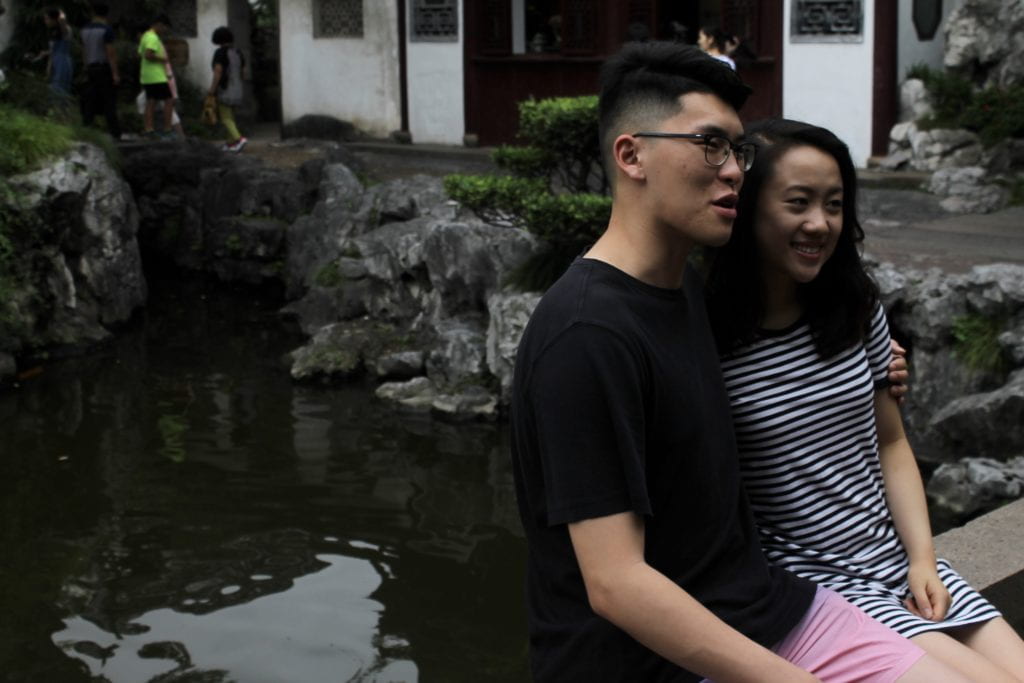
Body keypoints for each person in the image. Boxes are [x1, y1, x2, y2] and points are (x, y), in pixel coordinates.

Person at [509, 41, 969, 682]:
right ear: (631, 154)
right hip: (649, 662)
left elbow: (779, 356)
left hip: (767, 604)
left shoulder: (685, 289)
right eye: (709, 145)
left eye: (737, 150)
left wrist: (877, 364)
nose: (733, 171)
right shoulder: (588, 335)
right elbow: (616, 583)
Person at [706, 118, 1024, 682]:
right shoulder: (705, 339)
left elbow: (892, 441)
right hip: (815, 588)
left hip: (896, 559)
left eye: (833, 204)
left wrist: (923, 557)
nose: (819, 223)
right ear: (749, 206)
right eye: (798, 202)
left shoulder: (853, 309)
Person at [79, 2, 121, 140]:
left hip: (90, 68)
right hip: (103, 68)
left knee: (89, 100)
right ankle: (115, 133)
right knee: (109, 101)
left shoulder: (84, 30)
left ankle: (87, 128)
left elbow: (84, 51)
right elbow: (110, 53)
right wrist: (115, 73)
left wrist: (85, 67)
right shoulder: (106, 30)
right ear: (106, 14)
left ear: (93, 13)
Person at [208, 26, 247, 153]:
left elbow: (218, 71)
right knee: (231, 118)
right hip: (237, 88)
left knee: (225, 117)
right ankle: (230, 143)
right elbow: (243, 72)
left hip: (225, 89)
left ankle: (239, 139)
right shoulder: (238, 52)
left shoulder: (220, 53)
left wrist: (212, 89)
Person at [137, 14, 175, 139]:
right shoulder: (153, 38)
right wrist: (163, 59)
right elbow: (148, 55)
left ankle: (149, 129)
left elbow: (140, 53)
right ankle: (168, 129)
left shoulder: (145, 36)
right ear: (159, 24)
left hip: (147, 75)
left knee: (151, 101)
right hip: (156, 76)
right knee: (169, 100)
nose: (164, 31)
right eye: (164, 28)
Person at [38, 7, 73, 97]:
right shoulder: (53, 32)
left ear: (54, 19)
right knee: (53, 88)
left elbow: (62, 20)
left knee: (60, 89)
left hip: (62, 62)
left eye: (47, 19)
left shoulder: (65, 30)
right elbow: (54, 50)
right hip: (55, 61)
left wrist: (60, 13)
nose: (45, 21)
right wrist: (46, 53)